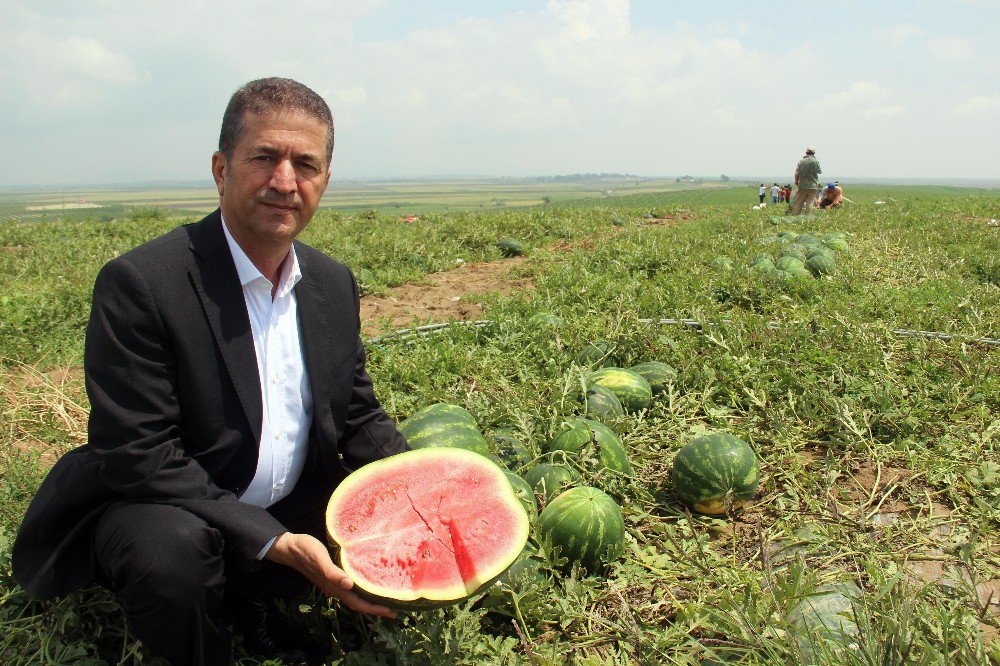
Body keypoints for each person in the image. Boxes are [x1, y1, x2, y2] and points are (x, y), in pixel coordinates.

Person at [11, 77, 410, 665]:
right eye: (264, 158)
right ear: (221, 168)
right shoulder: (142, 283)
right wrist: (270, 538)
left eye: (306, 164)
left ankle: (251, 601)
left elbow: (354, 411)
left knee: (371, 521)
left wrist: (420, 488)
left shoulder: (331, 283)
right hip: (164, 502)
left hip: (284, 495)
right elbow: (138, 452)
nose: (284, 181)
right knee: (170, 557)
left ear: (324, 180)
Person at [791, 146, 822, 215]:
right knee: (810, 202)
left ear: (806, 152)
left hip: (802, 185)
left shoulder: (801, 161)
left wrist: (796, 181)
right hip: (813, 185)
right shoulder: (816, 161)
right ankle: (807, 216)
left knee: (799, 201)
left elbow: (797, 173)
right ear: (814, 153)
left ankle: (796, 215)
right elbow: (819, 171)